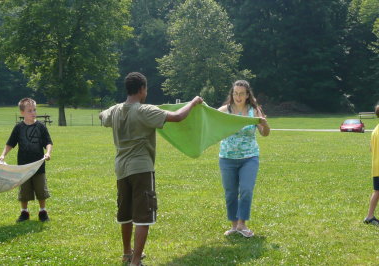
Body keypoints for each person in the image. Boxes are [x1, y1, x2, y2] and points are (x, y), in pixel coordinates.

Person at [99, 72, 203, 266]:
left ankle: (127, 253)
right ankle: (136, 261)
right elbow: (178, 116)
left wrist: (111, 112)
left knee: (126, 214)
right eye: (145, 89)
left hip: (121, 169)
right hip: (141, 168)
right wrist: (194, 102)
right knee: (143, 216)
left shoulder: (114, 110)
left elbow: (101, 116)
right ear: (141, 90)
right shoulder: (144, 110)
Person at [217, 80, 270, 237]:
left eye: (241, 93)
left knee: (246, 189)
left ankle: (242, 224)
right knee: (230, 192)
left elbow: (265, 133)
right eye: (235, 93)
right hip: (227, 158)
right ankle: (234, 225)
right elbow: (209, 121)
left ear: (247, 95)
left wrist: (265, 124)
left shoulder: (255, 110)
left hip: (249, 157)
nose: (237, 96)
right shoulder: (224, 110)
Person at [0, 98, 53, 222]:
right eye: (30, 111)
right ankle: (24, 213)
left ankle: (42, 211)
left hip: (38, 165)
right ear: (22, 113)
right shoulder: (18, 128)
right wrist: (3, 155)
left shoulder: (41, 127)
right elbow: (10, 144)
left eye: (34, 110)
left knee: (41, 190)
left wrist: (48, 153)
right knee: (24, 191)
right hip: (23, 166)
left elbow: (48, 142)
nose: (33, 112)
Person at [364, 104, 379, 225]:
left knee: (377, 191)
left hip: (376, 167)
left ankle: (369, 216)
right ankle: (369, 217)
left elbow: (371, 148)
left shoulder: (375, 130)